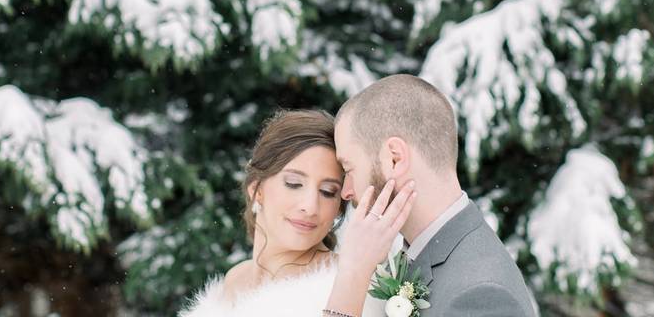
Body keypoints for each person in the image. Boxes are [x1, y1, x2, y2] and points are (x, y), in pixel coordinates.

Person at [328, 74, 537, 317]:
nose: (346, 191)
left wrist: (351, 274)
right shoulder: (418, 256)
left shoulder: (480, 296)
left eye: (348, 170)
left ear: (395, 158)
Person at [179, 109, 412, 317]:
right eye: (293, 183)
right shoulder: (233, 281)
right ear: (256, 189)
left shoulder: (354, 281)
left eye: (328, 191)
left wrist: (352, 280)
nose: (310, 207)